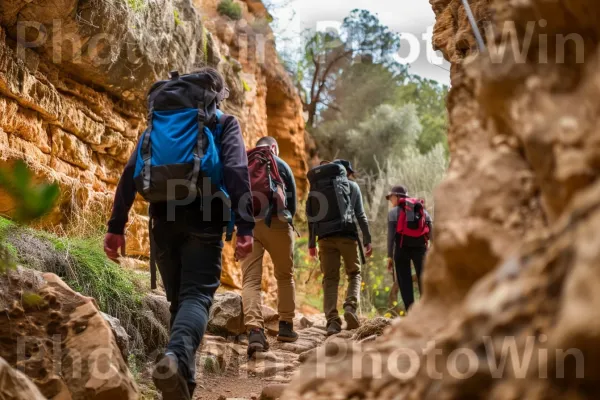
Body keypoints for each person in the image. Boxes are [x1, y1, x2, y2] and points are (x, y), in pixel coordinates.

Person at [104, 68, 254, 400]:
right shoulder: (223, 124)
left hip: (163, 219)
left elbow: (130, 173)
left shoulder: (158, 125)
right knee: (197, 297)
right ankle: (175, 358)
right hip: (205, 215)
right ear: (215, 97)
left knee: (179, 301)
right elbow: (236, 171)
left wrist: (116, 227)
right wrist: (245, 226)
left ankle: (182, 384)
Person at [241, 136, 299, 357]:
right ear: (274, 147)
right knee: (285, 276)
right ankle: (285, 327)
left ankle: (255, 331)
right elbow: (291, 203)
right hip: (277, 223)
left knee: (250, 281)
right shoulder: (281, 164)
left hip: (248, 224)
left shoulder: (244, 161)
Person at [308, 159, 372, 336]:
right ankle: (350, 307)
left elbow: (311, 214)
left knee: (330, 278)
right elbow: (361, 215)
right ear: (346, 172)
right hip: (347, 236)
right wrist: (367, 239)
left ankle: (332, 322)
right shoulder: (352, 186)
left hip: (324, 238)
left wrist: (311, 243)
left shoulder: (317, 187)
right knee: (354, 273)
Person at [386, 185, 432, 312]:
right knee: (424, 279)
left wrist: (389, 255)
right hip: (421, 249)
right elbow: (431, 232)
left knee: (404, 282)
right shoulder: (421, 210)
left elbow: (390, 237)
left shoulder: (393, 213)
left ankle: (411, 312)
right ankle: (426, 310)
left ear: (398, 197)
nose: (391, 201)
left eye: (391, 198)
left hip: (401, 249)